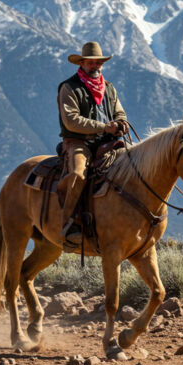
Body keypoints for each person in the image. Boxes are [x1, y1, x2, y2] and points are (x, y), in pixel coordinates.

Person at [57, 41, 130, 246]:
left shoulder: (108, 88)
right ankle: (69, 225)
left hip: (107, 142)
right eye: (91, 63)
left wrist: (121, 122)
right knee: (79, 174)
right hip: (78, 142)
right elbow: (71, 120)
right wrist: (104, 127)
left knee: (134, 165)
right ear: (82, 63)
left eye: (99, 62)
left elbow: (119, 112)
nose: (96, 66)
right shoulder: (69, 88)